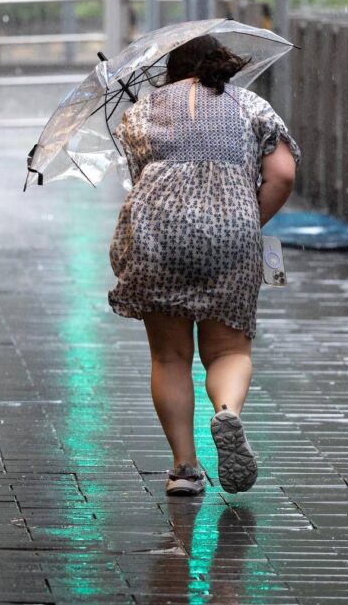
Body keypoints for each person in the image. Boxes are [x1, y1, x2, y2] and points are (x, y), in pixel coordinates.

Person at [107, 34, 300, 496]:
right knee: (229, 350)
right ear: (224, 65)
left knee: (170, 356)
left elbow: (139, 177)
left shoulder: (144, 111)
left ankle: (184, 469)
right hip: (230, 231)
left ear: (173, 69)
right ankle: (227, 411)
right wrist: (247, 216)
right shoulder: (251, 106)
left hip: (159, 233)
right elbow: (284, 174)